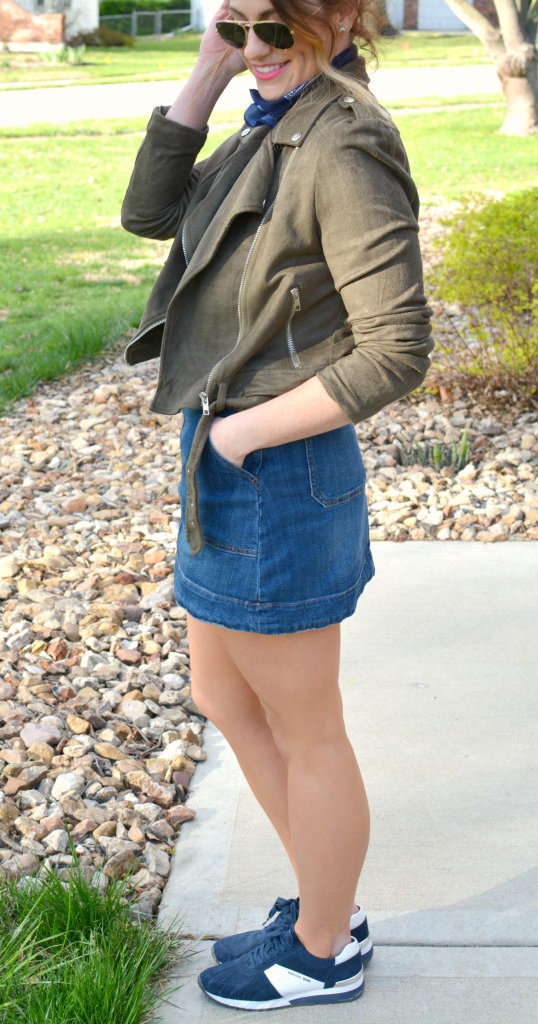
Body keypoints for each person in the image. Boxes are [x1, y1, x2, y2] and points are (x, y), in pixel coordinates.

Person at [121, 0, 433, 1011]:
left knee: (306, 727)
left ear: (339, 17)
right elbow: (147, 211)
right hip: (229, 451)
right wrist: (209, 75)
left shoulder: (343, 146)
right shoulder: (271, 119)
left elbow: (396, 347)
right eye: (232, 24)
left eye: (273, 27)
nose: (253, 47)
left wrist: (240, 437)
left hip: (274, 460)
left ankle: (321, 948)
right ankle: (326, 910)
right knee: (224, 696)